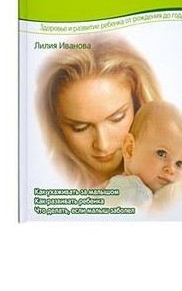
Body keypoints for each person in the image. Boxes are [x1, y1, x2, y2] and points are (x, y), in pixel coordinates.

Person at [36, 34, 163, 187]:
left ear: (138, 104)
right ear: (55, 123)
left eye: (117, 118)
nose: (103, 145)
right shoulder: (44, 179)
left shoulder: (173, 183)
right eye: (80, 127)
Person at [105, 101, 182, 209]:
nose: (171, 169)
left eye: (179, 164)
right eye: (161, 153)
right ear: (130, 149)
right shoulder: (131, 191)